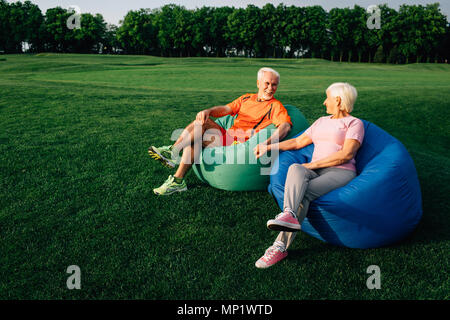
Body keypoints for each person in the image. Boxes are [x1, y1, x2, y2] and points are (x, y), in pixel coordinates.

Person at [253, 82, 365, 268]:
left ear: (338, 100)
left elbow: (346, 154)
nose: (324, 102)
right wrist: (268, 146)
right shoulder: (321, 121)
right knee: (296, 168)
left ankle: (279, 246)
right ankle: (288, 214)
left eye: (327, 97)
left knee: (303, 194)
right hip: (315, 170)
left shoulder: (354, 123)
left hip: (340, 172)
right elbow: (297, 142)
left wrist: (312, 165)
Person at [149, 67, 292, 195]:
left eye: (274, 85)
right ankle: (177, 180)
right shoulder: (246, 98)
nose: (270, 88)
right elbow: (225, 109)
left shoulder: (275, 106)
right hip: (226, 136)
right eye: (267, 83)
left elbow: (285, 126)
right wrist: (208, 111)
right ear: (258, 83)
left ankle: (173, 151)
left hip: (238, 143)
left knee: (200, 128)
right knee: (199, 128)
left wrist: (268, 142)